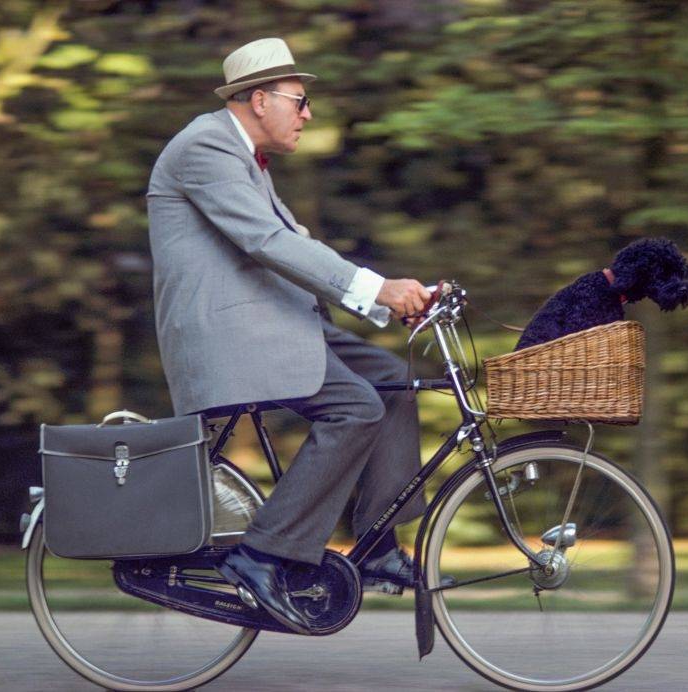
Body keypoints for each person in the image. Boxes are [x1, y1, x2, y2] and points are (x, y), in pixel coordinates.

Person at [147, 37, 433, 634]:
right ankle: (262, 555)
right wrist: (378, 288)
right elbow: (268, 245)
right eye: (299, 101)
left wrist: (388, 299)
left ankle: (377, 545)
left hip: (274, 320)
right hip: (230, 334)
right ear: (260, 99)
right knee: (355, 407)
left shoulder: (245, 157)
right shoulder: (205, 147)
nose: (308, 114)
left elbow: (300, 244)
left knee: (394, 382)